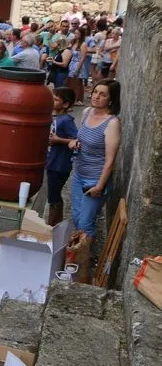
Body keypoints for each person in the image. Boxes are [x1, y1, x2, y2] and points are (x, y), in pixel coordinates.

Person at [67, 80, 121, 280]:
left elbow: (110, 160)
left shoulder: (112, 122)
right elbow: (82, 139)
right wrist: (74, 143)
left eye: (102, 94)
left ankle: (82, 273)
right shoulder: (88, 112)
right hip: (79, 173)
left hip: (95, 179)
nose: (96, 96)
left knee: (86, 223)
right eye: (95, 92)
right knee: (76, 217)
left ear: (111, 100)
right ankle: (77, 261)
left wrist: (100, 185)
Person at [45, 88, 78, 226]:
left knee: (54, 199)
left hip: (60, 165)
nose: (52, 101)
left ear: (66, 104)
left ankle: (51, 227)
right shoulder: (57, 118)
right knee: (54, 197)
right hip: (53, 162)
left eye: (56, 99)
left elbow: (76, 140)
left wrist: (59, 140)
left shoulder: (66, 121)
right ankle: (54, 227)